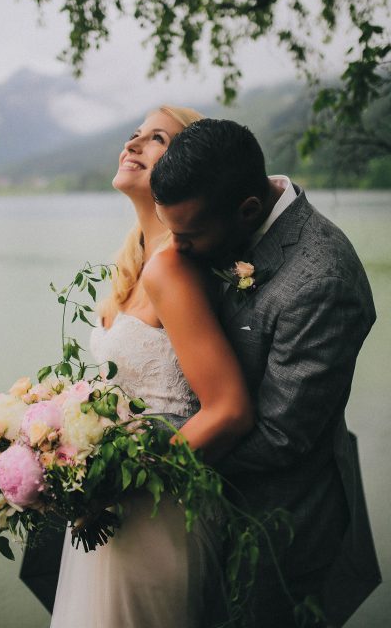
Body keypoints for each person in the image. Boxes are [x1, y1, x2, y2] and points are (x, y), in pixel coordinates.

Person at [149, 118, 382, 627]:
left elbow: (281, 434)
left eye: (188, 236)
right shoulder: (226, 214)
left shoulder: (322, 279)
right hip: (210, 515)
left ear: (248, 211)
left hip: (280, 532)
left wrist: (150, 467)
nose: (176, 248)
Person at [49, 105, 255, 628]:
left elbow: (229, 410)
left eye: (157, 138)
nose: (133, 145)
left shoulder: (173, 268)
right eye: (133, 134)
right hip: (115, 506)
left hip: (154, 507)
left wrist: (127, 477)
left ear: (187, 167)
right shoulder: (134, 261)